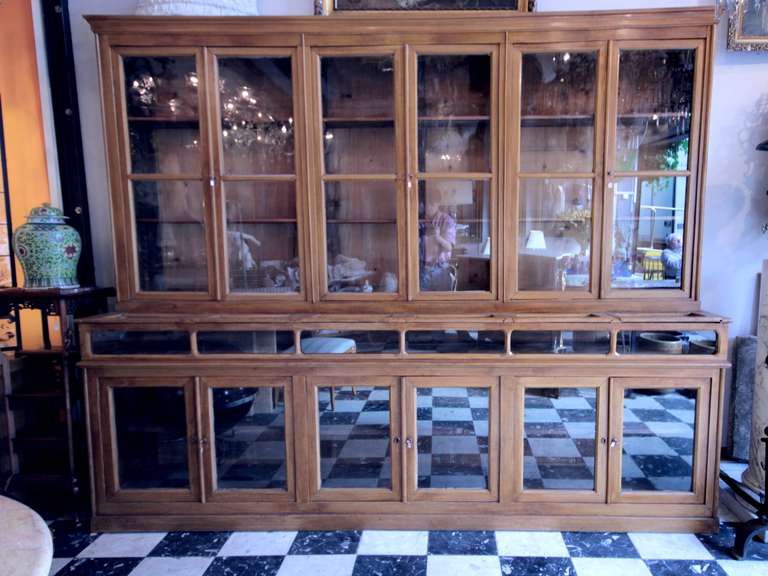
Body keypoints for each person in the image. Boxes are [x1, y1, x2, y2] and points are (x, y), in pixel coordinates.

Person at [419, 197, 457, 291]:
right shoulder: (419, 220)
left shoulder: (447, 221)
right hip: (422, 268)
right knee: (421, 303)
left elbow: (449, 248)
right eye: (426, 204)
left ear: (438, 203)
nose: (429, 207)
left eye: (432, 203)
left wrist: (437, 238)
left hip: (441, 269)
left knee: (441, 303)